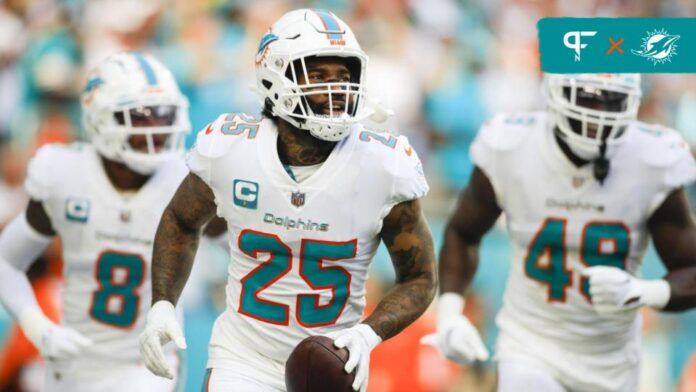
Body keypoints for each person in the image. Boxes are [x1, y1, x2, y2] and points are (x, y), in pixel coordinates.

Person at [137, 9, 437, 392]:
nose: (337, 90)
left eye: (344, 77)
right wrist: (164, 302)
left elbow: (420, 277)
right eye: (319, 76)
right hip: (243, 358)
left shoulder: (383, 166)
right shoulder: (231, 149)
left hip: (333, 364)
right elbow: (181, 220)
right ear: (274, 78)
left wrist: (367, 335)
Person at [425, 73, 696, 391]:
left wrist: (641, 291)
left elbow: (690, 269)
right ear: (555, 90)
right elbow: (462, 232)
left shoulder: (651, 159)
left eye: (611, 99)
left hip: (613, 359)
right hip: (530, 345)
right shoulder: (512, 145)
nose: (597, 112)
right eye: (587, 96)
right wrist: (450, 313)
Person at [0, 51, 197, 391]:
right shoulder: (65, 174)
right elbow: (6, 261)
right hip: (74, 360)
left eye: (164, 114)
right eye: (141, 116)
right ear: (101, 119)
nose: (158, 127)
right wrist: (38, 328)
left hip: (145, 364)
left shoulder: (186, 180)